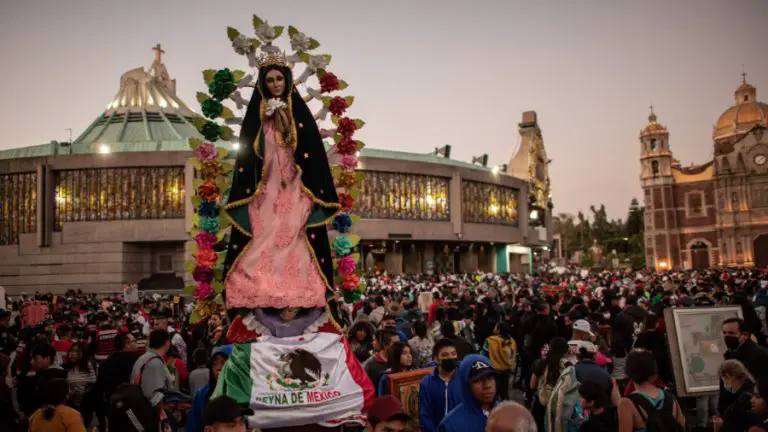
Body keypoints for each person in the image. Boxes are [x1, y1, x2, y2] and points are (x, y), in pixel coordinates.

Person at [221, 50, 341, 312]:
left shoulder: (299, 113)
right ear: (264, 84)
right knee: (264, 235)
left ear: (287, 80)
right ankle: (260, 289)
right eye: (270, 80)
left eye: (279, 79)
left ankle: (297, 294)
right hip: (266, 185)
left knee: (294, 234)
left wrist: (286, 122)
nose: (275, 84)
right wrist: (265, 122)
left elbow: (306, 149)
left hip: (293, 183)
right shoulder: (257, 115)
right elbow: (249, 155)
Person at [618, 349, 685, 432]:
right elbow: (682, 426)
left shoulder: (626, 403)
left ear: (628, 371)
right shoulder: (671, 399)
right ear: (653, 370)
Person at [438, 354, 500, 432]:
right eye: (478, 380)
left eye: (490, 378)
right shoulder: (450, 425)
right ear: (466, 386)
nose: (487, 385)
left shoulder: (508, 413)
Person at [187, 345, 234, 432]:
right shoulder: (201, 394)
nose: (218, 368)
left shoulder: (246, 395)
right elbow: (193, 425)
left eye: (224, 363)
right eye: (215, 364)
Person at [420, 338, 462, 432]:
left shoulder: (464, 377)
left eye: (453, 354)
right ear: (437, 359)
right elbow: (425, 415)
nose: (450, 358)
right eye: (445, 355)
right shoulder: (426, 383)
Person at [530, 337, 569, 431]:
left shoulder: (540, 363)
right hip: (559, 407)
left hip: (541, 404)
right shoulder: (568, 366)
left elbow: (532, 385)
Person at [130, 329, 174, 409]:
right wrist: (167, 406)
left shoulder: (145, 358)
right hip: (150, 414)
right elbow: (153, 396)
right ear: (166, 342)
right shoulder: (154, 363)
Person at [713, 359, 760, 432]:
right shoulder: (754, 389)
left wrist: (720, 427)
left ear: (728, 377)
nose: (724, 384)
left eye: (723, 380)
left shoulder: (744, 398)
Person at [94, 332, 139, 406]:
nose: (137, 343)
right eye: (134, 341)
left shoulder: (107, 360)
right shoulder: (137, 360)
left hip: (113, 403)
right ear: (127, 344)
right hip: (132, 402)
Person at [482, 322, 517, 401]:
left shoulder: (490, 341)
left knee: (494, 391)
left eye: (495, 327)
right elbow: (514, 356)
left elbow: (483, 355)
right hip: (507, 370)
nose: (493, 328)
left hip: (493, 370)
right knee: (504, 390)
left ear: (498, 330)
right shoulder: (512, 341)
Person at [65, 342, 97, 424]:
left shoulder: (89, 365)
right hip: (71, 405)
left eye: (77, 352)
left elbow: (94, 381)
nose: (73, 354)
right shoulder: (68, 367)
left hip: (84, 405)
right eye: (72, 351)